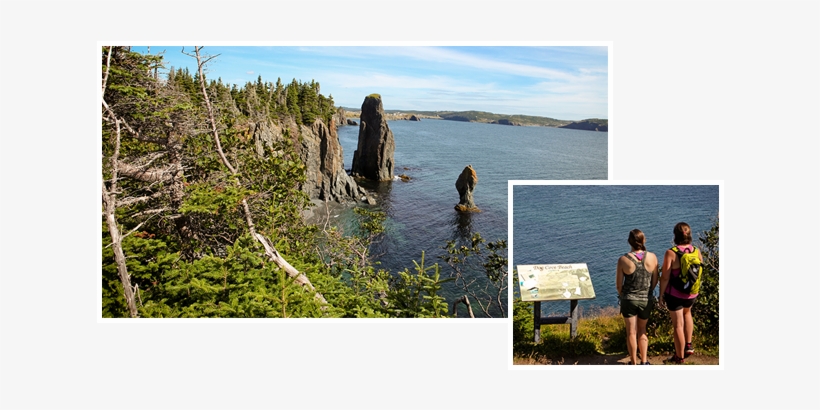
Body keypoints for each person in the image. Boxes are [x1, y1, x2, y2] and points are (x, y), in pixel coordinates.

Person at [659, 222, 702, 364]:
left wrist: (661, 295)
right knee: (687, 313)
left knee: (678, 325)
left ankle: (679, 356)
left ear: (675, 235)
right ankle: (688, 345)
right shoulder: (696, 251)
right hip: (692, 293)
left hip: (675, 294)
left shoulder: (671, 253)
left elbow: (665, 277)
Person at [616, 229, 659, 365]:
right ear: (643, 240)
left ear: (629, 242)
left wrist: (624, 295)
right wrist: (647, 292)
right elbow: (655, 280)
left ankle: (633, 362)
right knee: (642, 330)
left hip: (629, 299)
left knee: (631, 333)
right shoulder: (652, 257)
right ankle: (644, 361)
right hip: (646, 299)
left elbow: (619, 285)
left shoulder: (623, 260)